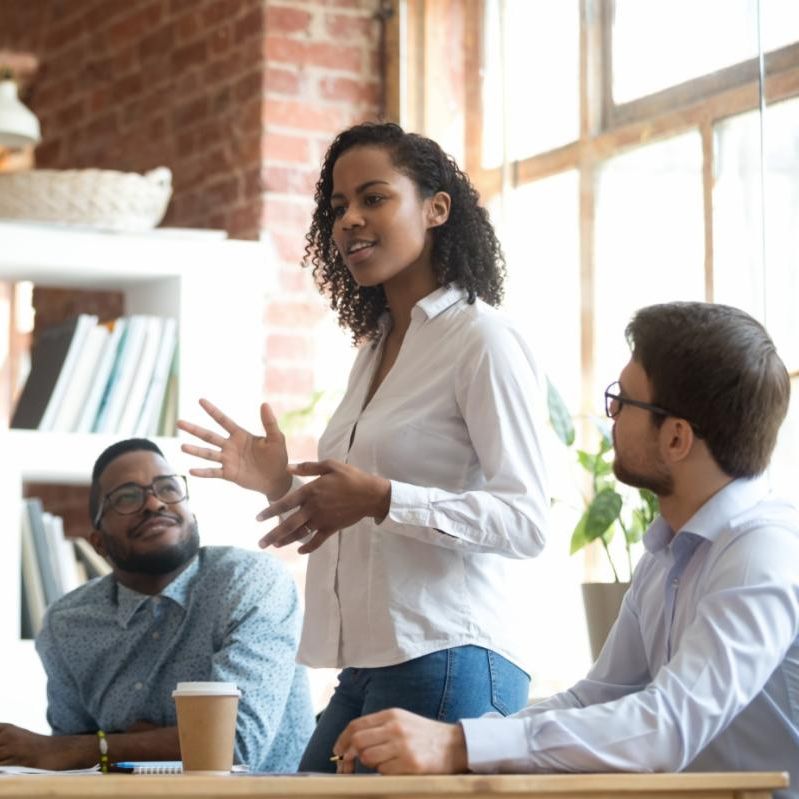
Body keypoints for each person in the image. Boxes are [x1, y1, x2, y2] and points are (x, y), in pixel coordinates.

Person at [177, 121, 550, 771]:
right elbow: (361, 508)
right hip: (370, 664)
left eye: (373, 198)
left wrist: (380, 497)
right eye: (337, 206)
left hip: (452, 656)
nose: (349, 219)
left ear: (436, 209)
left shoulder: (481, 340)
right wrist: (278, 485)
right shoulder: (375, 349)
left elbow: (526, 520)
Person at [331, 301, 799, 797]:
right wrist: (470, 741)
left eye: (624, 401)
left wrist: (459, 745)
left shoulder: (761, 553)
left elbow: (666, 727)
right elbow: (595, 698)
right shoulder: (669, 554)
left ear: (677, 438)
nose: (611, 414)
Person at [0, 438, 314, 772]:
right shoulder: (67, 624)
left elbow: (231, 745)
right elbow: (69, 761)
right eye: (126, 497)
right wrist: (114, 749)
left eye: (167, 488)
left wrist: (103, 746)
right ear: (99, 542)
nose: (153, 503)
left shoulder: (250, 581)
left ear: (192, 514)